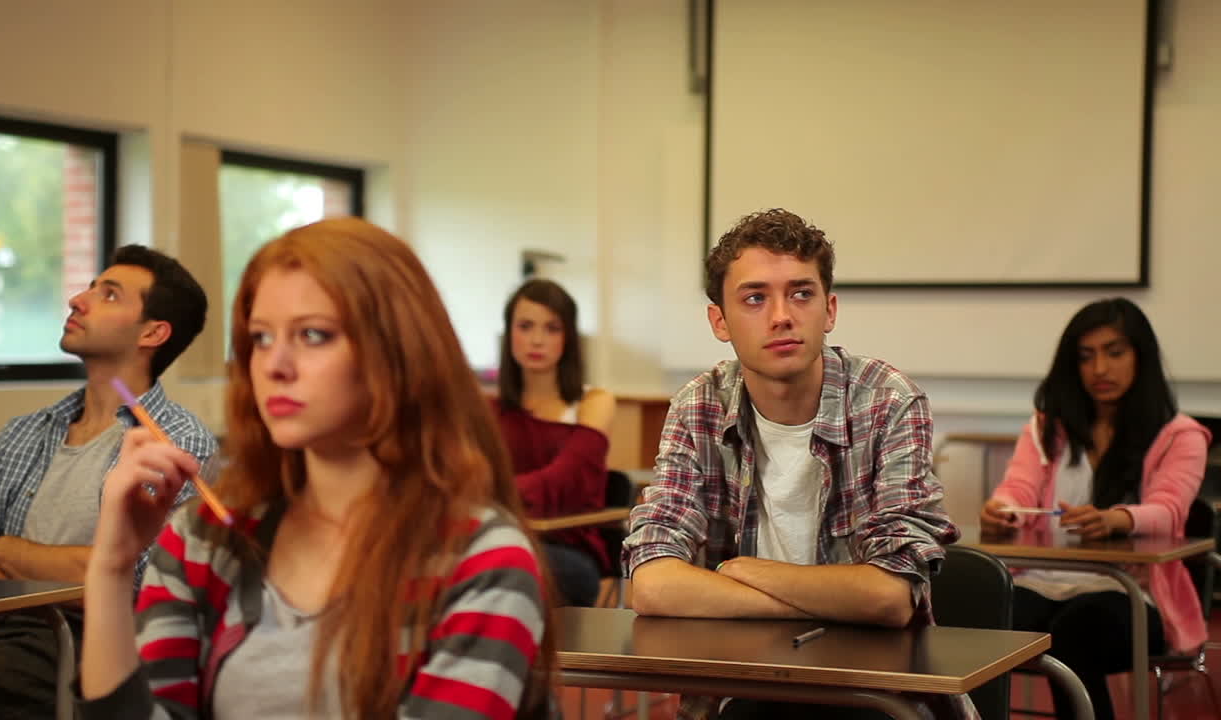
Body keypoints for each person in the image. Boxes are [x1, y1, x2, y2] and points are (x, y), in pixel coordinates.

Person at [79, 218, 554, 719]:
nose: (275, 365)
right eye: (261, 338)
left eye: (313, 334)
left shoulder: (479, 557)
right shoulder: (202, 541)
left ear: (396, 351)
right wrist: (110, 568)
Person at [622, 209, 971, 720]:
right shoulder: (698, 406)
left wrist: (744, 573)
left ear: (829, 310)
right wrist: (819, 599)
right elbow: (651, 583)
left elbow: (890, 600)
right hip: (739, 684)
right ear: (720, 320)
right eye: (755, 298)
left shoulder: (887, 401)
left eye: (801, 294)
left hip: (873, 690)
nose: (781, 315)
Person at [0, 244, 216, 719]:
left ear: (153, 331)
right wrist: (63, 574)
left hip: (75, 642)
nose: (77, 300)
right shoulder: (25, 431)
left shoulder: (178, 441)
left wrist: (9, 550)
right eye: (90, 287)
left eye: (108, 295)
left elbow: (139, 583)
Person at [981, 297, 1210, 720]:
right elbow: (1018, 488)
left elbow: (1170, 510)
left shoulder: (1181, 435)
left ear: (1142, 356)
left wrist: (1117, 519)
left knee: (1077, 633)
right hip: (1045, 581)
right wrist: (1002, 507)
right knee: (978, 616)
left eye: (1114, 352)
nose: (1100, 369)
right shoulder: (1049, 427)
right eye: (1086, 357)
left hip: (1133, 593)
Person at [494, 279, 615, 607]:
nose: (536, 339)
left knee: (498, 563)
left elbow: (565, 479)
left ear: (568, 338)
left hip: (569, 550)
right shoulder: (490, 410)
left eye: (551, 328)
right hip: (500, 538)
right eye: (525, 326)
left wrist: (495, 492)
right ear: (509, 334)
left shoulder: (594, 402)